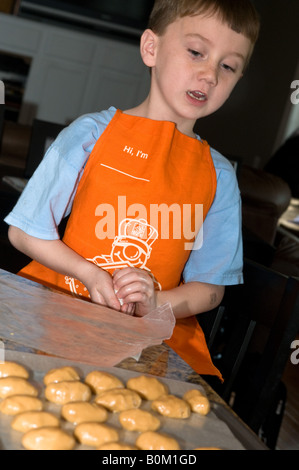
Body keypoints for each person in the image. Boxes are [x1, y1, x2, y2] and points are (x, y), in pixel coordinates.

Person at [4, 0, 260, 379]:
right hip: (55, 313)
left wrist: (157, 302)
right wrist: (89, 275)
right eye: (196, 52)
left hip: (144, 345)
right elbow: (24, 231)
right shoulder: (90, 135)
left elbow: (211, 289)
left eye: (228, 66)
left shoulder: (220, 177)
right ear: (151, 48)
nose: (209, 74)